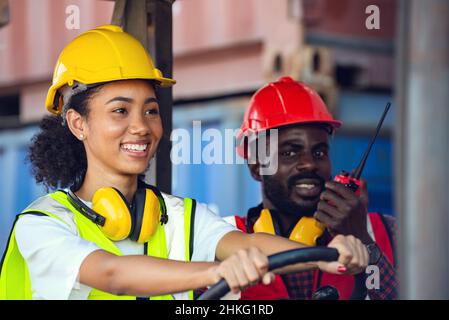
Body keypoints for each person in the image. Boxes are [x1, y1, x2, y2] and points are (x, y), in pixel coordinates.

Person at [0, 26, 369, 300]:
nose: (141, 127)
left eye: (150, 110)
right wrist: (216, 271)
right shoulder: (43, 225)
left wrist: (328, 257)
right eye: (120, 111)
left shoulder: (178, 217)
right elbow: (111, 273)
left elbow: (245, 244)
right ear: (78, 123)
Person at [226, 76, 397, 300]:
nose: (309, 163)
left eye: (319, 152)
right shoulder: (221, 240)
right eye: (289, 152)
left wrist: (363, 241)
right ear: (257, 167)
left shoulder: (386, 232)